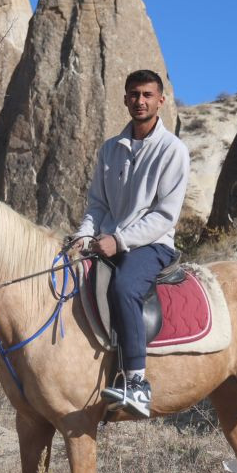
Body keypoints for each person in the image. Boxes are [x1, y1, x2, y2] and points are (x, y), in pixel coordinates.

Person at [69, 69, 190, 417]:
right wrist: (83, 235)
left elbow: (165, 216)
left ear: (161, 101)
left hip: (152, 244)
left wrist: (119, 241)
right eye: (134, 95)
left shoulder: (173, 150)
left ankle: (136, 383)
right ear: (125, 99)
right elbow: (97, 204)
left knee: (123, 288)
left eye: (148, 95)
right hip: (107, 239)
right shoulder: (110, 150)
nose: (140, 101)